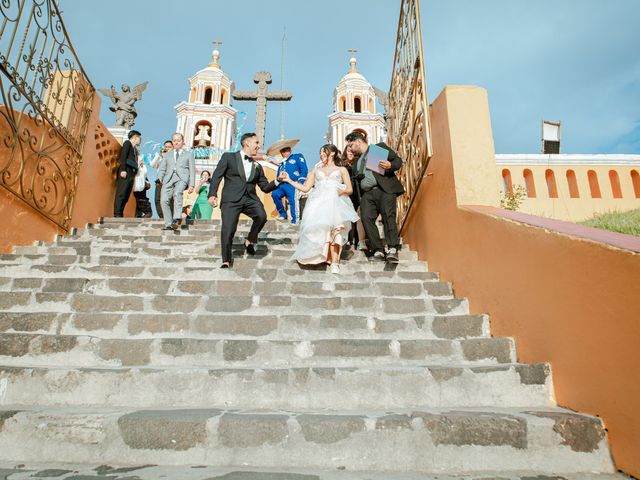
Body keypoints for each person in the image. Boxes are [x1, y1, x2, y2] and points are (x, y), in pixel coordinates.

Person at [279, 144, 358, 275]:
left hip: (335, 202)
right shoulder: (316, 170)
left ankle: (335, 263)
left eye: (323, 152)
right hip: (318, 203)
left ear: (332, 153)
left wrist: (338, 192)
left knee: (336, 230)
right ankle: (322, 256)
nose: (321, 154)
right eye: (320, 152)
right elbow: (305, 188)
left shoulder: (342, 169)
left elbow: (349, 189)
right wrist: (288, 180)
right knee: (322, 230)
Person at [208, 132, 279, 268]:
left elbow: (264, 187)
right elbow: (217, 176)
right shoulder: (229, 157)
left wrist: (277, 180)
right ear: (247, 143)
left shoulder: (257, 166)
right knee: (228, 230)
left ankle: (250, 239)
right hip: (231, 200)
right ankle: (226, 260)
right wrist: (212, 194)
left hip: (250, 199)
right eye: (256, 143)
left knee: (262, 216)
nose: (258, 146)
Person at [346, 130, 404, 263]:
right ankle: (377, 248)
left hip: (384, 189)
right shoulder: (356, 163)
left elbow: (397, 161)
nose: (350, 148)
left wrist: (390, 165)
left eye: (351, 144)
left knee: (388, 216)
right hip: (367, 194)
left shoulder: (377, 149)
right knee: (366, 218)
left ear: (359, 141)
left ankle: (392, 248)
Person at [157, 133, 196, 230]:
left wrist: (191, 184)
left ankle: (177, 217)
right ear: (172, 142)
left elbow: (192, 170)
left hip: (182, 178)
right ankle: (168, 224)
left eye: (178, 140)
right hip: (168, 179)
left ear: (182, 141)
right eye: (174, 140)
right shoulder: (167, 155)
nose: (176, 142)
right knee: (164, 200)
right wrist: (161, 178)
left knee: (178, 193)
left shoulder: (188, 154)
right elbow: (162, 168)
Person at [271, 147, 308, 224]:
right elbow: (278, 175)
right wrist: (279, 178)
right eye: (282, 151)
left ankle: (295, 221)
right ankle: (283, 213)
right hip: (282, 184)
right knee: (275, 194)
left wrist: (300, 182)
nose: (284, 153)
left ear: (290, 150)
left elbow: (304, 169)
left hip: (293, 183)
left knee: (293, 201)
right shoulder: (281, 163)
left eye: (286, 151)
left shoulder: (297, 156)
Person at [342, 145, 366, 250]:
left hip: (358, 192)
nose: (350, 153)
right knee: (349, 217)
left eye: (352, 151)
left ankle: (359, 241)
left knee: (358, 217)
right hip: (347, 193)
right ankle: (349, 240)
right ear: (345, 152)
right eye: (348, 151)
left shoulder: (359, 163)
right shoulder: (342, 165)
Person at [113, 130, 141, 217]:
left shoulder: (135, 150)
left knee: (126, 194)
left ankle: (120, 213)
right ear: (135, 137)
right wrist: (123, 170)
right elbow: (123, 156)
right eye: (139, 138)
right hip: (126, 170)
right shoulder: (127, 143)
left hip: (131, 173)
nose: (140, 140)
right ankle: (117, 214)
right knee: (121, 193)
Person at [151, 140, 173, 218]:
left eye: (169, 147)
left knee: (169, 199)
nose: (167, 148)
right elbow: (152, 165)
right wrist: (159, 156)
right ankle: (161, 216)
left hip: (169, 180)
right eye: (166, 147)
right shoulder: (160, 157)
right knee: (157, 199)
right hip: (159, 180)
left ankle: (169, 215)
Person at [132, 153, 152, 218]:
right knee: (149, 213)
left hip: (141, 192)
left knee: (138, 213)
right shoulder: (135, 167)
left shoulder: (142, 168)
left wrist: (147, 181)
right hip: (139, 193)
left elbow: (144, 176)